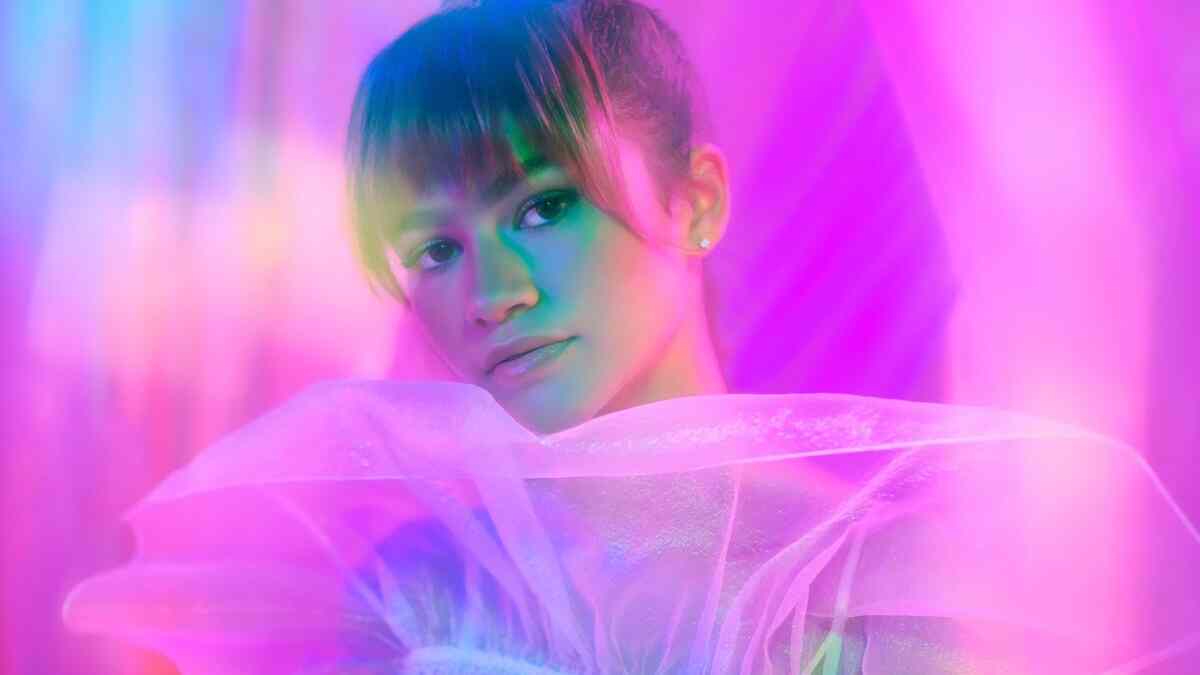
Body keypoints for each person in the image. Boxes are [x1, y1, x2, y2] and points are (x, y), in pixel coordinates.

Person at [63, 1, 1200, 673]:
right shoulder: (414, 587)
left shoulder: (884, 582)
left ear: (696, 201)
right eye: (434, 248)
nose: (491, 293)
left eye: (542, 206)